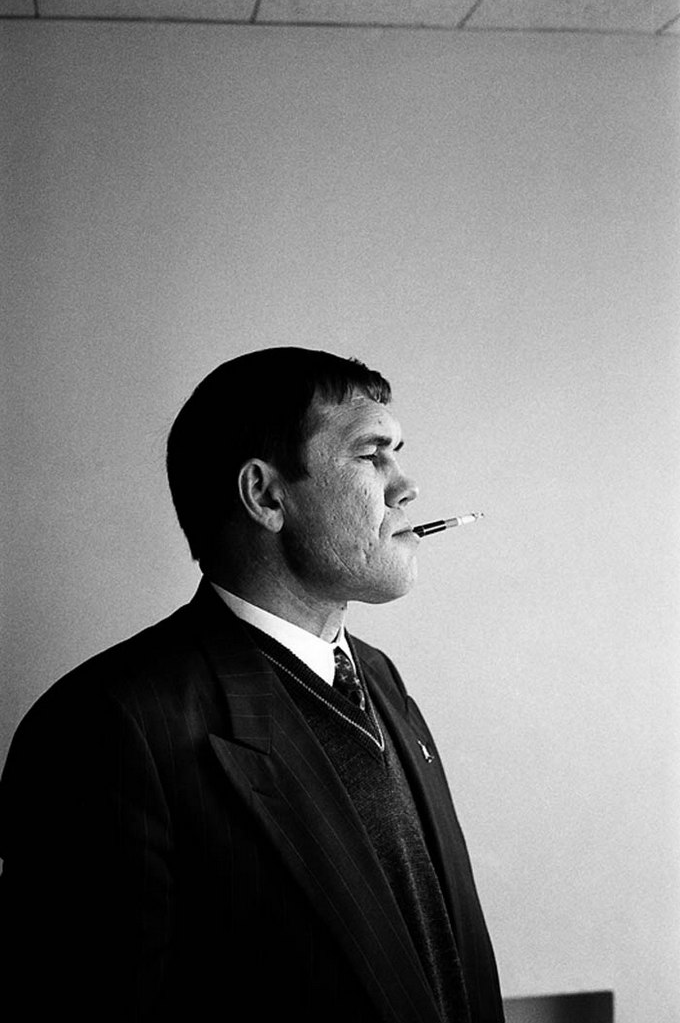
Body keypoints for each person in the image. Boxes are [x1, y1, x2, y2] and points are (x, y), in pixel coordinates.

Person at [0, 347, 504, 1022]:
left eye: (398, 453)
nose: (406, 487)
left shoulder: (380, 677)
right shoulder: (104, 728)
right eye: (371, 454)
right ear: (265, 495)